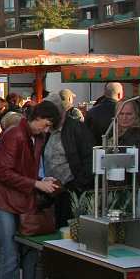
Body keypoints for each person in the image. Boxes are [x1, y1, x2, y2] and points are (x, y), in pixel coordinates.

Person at [0, 100, 62, 279]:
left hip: (19, 200)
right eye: (45, 125)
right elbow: (3, 173)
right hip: (3, 202)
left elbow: (24, 169)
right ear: (36, 117)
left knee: (24, 256)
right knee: (8, 257)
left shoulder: (35, 137)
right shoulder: (14, 135)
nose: (46, 130)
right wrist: (36, 183)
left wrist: (40, 180)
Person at [42, 90, 94, 229]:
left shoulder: (77, 129)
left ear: (61, 112)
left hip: (71, 192)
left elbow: (90, 159)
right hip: (51, 192)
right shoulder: (48, 131)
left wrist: (75, 185)